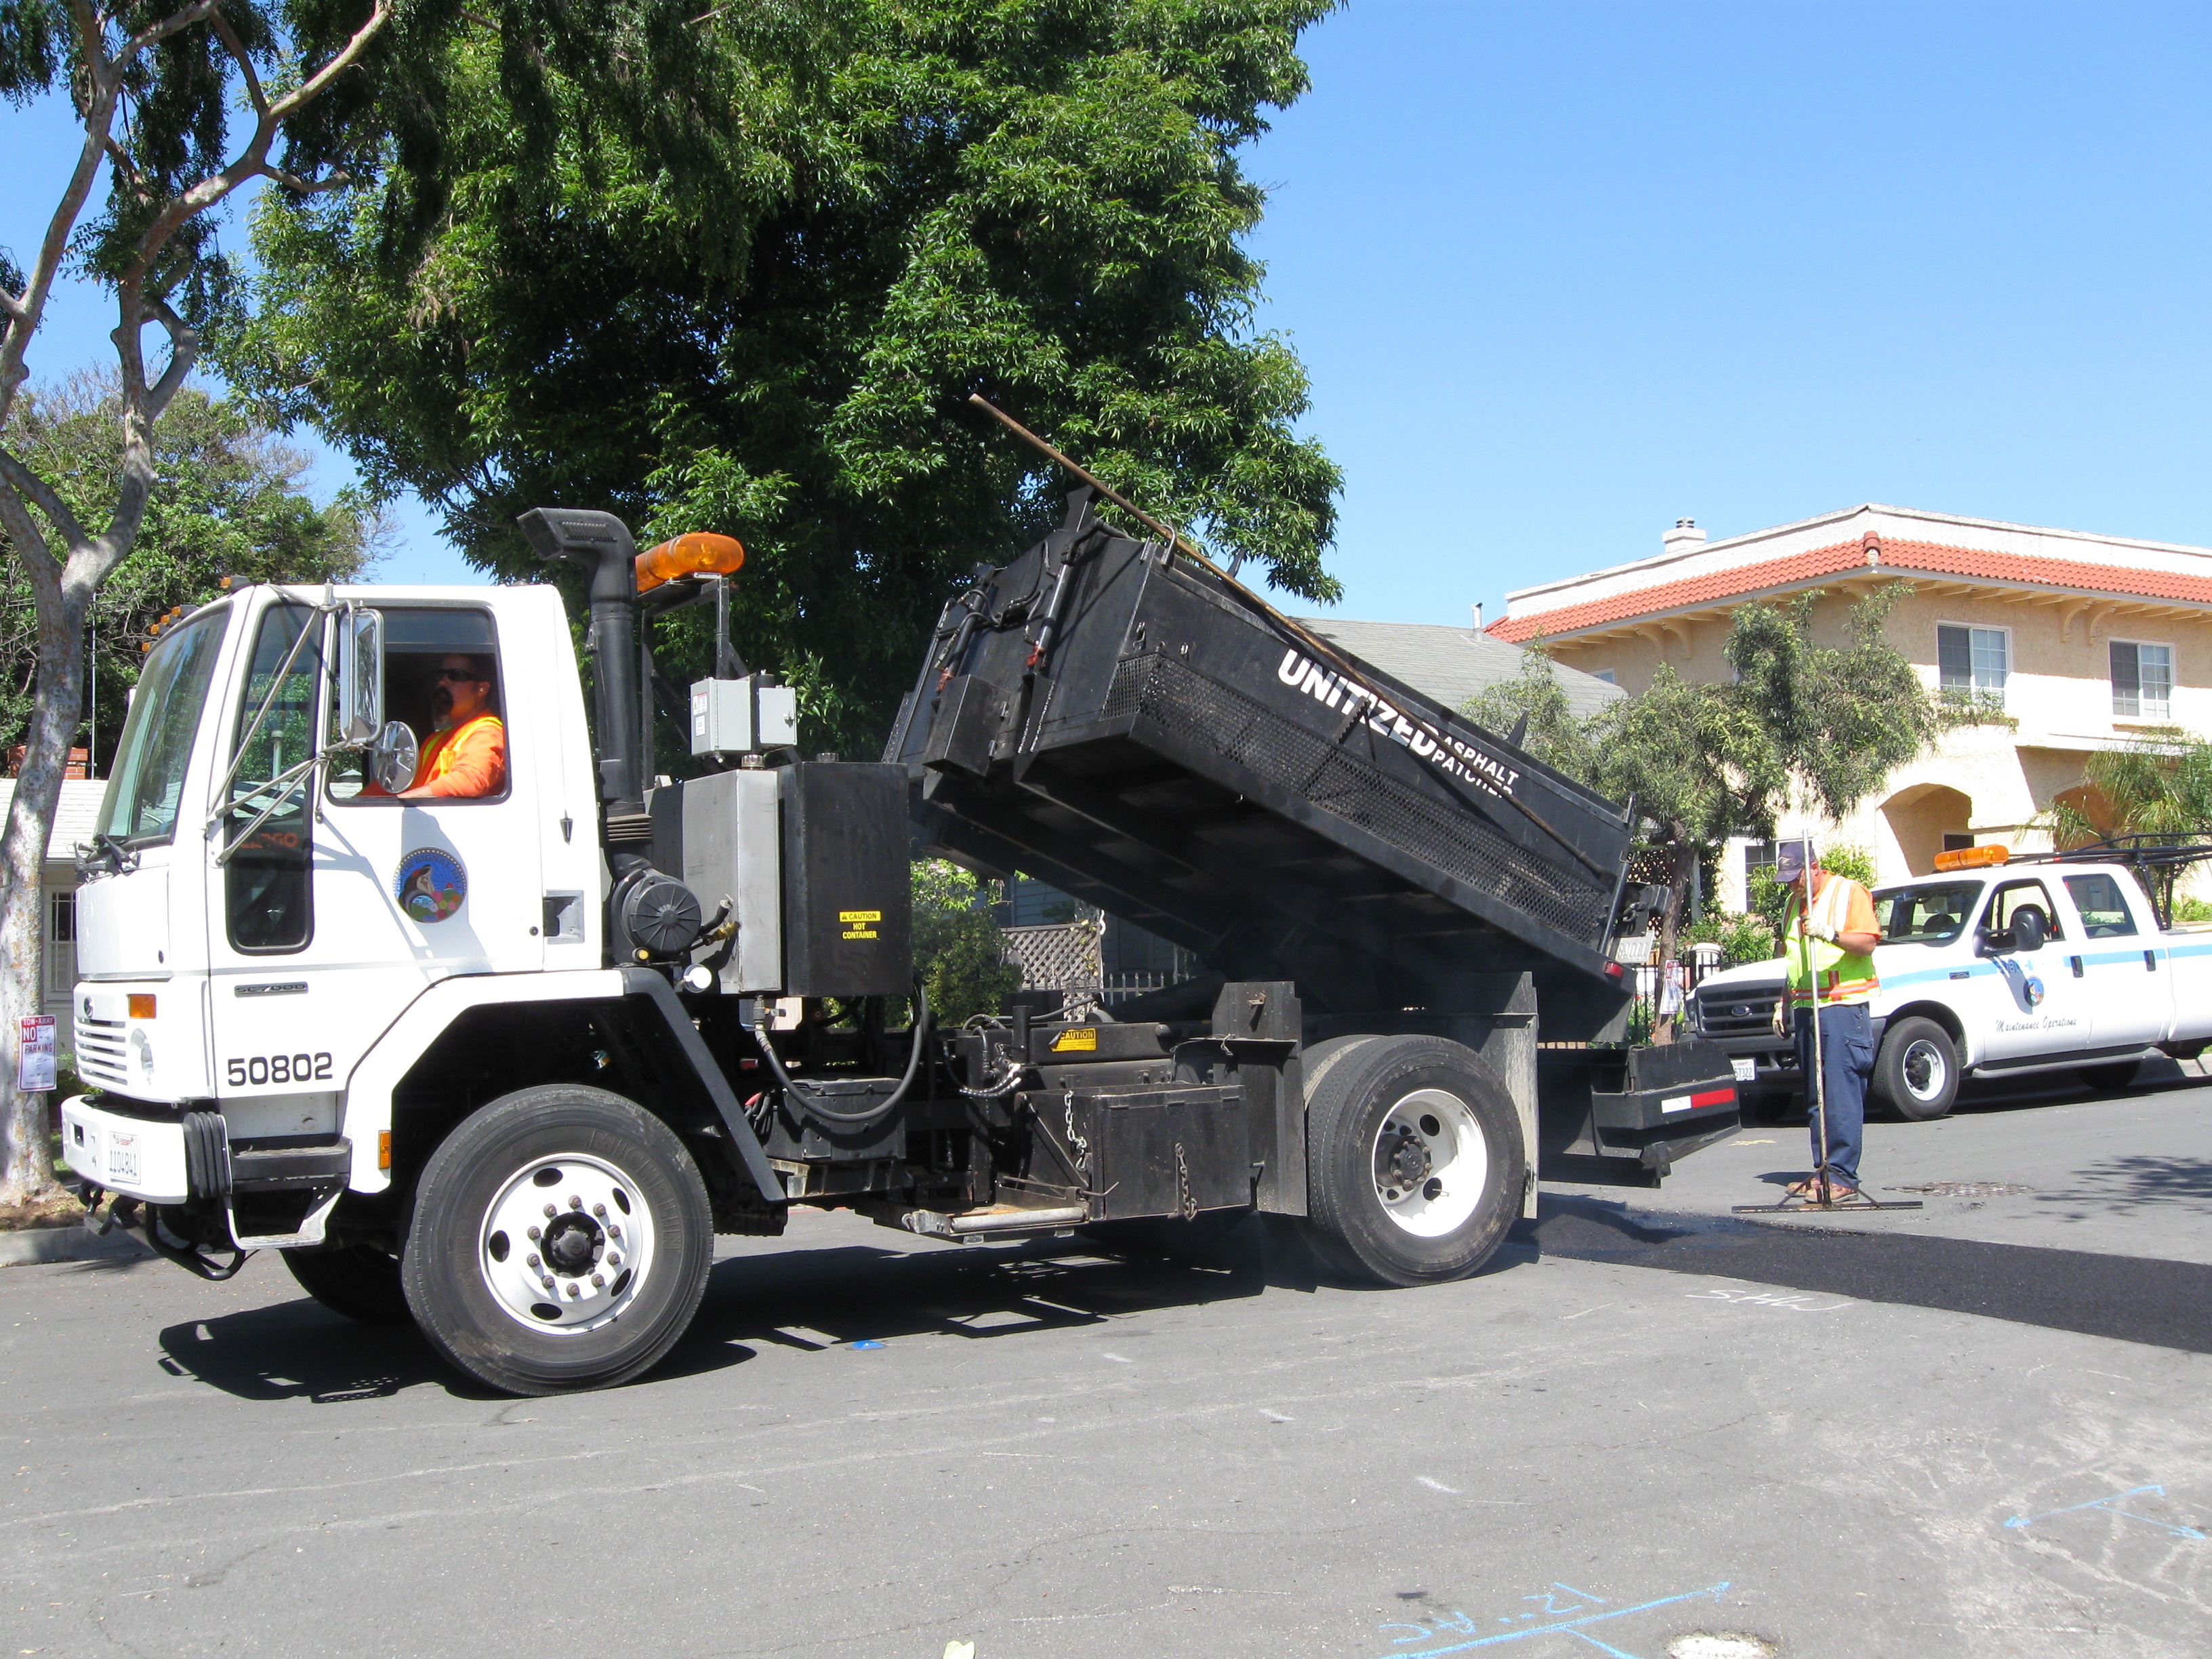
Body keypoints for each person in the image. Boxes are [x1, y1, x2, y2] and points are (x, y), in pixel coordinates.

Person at [1774, 839, 1881, 1201]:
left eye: (1796, 877)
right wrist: (1783, 1001)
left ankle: (1843, 1177)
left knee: (1840, 1093)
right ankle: (1823, 1170)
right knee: (1816, 1096)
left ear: (1815, 867)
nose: (1792, 885)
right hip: (1807, 1007)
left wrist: (1830, 933)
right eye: (1786, 879)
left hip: (1841, 1006)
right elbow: (1794, 958)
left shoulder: (1848, 892)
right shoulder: (1794, 903)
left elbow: (1867, 942)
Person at [398, 653, 506, 799]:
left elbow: (469, 782)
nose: (444, 682)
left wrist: (405, 800)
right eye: (441, 675)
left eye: (456, 675)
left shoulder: (488, 732)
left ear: (482, 689)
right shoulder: (435, 740)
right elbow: (398, 782)